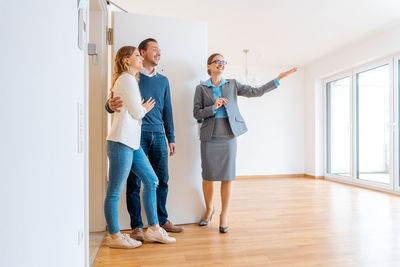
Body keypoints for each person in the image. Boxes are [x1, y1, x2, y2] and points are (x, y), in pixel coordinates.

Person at [193, 53, 297, 233]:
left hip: (229, 134)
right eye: (217, 61)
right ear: (209, 66)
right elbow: (197, 114)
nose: (221, 64)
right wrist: (213, 107)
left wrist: (278, 79)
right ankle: (209, 209)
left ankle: (224, 215)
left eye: (224, 61)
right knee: (208, 176)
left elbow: (256, 92)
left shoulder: (232, 84)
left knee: (227, 176)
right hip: (209, 136)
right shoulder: (201, 88)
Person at [106, 38, 183, 242]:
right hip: (133, 136)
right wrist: (108, 104)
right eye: (153, 49)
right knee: (133, 183)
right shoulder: (131, 77)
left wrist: (171, 137)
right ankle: (136, 227)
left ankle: (158, 223)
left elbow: (168, 111)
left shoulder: (161, 80)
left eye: (160, 49)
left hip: (155, 134)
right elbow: (118, 98)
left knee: (158, 180)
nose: (158, 53)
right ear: (141, 53)